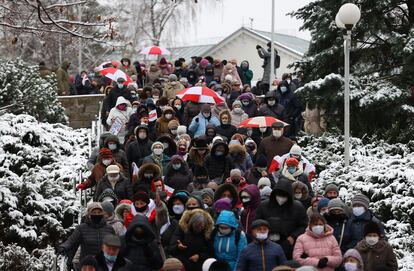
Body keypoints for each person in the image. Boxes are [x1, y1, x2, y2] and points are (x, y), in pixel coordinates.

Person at [255, 178, 308, 259]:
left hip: (289, 245)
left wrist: (293, 236)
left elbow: (303, 225)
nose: (281, 198)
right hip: (266, 243)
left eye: (284, 195)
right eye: (279, 195)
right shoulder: (264, 206)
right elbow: (256, 223)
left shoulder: (298, 207)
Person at [58, 202, 115, 268]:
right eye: (94, 212)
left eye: (99, 212)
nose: (97, 214)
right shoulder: (81, 228)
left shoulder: (109, 229)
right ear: (89, 214)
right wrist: (64, 247)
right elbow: (72, 241)